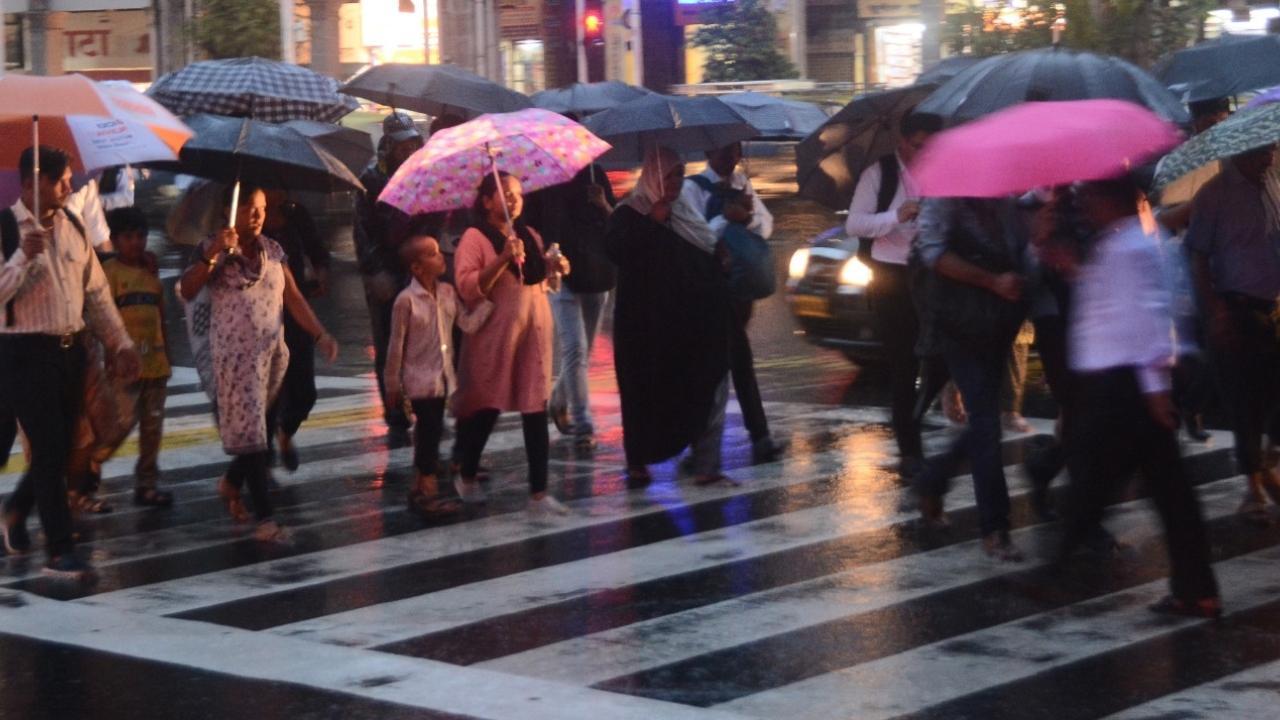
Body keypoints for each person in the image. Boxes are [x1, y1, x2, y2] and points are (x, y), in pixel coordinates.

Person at [1060, 176, 1220, 619]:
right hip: (1123, 382)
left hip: (1127, 385)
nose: (1085, 205)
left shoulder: (1132, 246)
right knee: (1168, 491)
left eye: (1090, 196)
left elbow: (1149, 319)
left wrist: (1154, 390)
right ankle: (1196, 588)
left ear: (1110, 200)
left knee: (1099, 481)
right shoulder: (1122, 242)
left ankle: (1053, 571)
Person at [0, 146, 141, 581]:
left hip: (71, 349)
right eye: (60, 180)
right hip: (23, 352)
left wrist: (120, 342)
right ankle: (58, 550)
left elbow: (95, 292)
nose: (68, 186)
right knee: (47, 447)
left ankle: (16, 511)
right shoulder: (6, 227)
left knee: (62, 449)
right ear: (30, 184)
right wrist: (22, 255)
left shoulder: (74, 225)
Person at [178, 186, 339, 543]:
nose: (257, 213)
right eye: (249, 206)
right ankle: (266, 518)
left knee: (261, 429)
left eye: (262, 208)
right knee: (251, 433)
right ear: (229, 210)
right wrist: (216, 253)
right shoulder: (212, 249)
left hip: (272, 355)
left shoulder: (274, 250)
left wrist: (320, 334)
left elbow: (293, 297)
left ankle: (232, 483)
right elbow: (188, 290)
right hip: (235, 360)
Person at [912, 196, 1031, 561]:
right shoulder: (944, 198)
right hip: (960, 322)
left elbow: (1020, 247)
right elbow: (933, 254)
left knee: (983, 423)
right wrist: (992, 280)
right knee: (985, 421)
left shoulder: (1008, 197)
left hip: (998, 321)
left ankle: (932, 480)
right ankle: (995, 527)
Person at [607, 147, 732, 487]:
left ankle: (705, 462)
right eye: (669, 175)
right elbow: (617, 252)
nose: (676, 182)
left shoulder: (684, 211)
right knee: (639, 392)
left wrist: (719, 253)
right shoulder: (629, 213)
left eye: (679, 174)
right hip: (642, 325)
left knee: (700, 382)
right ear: (652, 177)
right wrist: (652, 222)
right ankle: (637, 462)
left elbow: (703, 242)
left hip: (683, 321)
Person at [451, 172, 571, 514]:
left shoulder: (528, 234)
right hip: (496, 336)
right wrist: (502, 258)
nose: (514, 199)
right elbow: (468, 286)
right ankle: (468, 473)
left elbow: (540, 281)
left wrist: (556, 266)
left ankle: (538, 492)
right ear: (487, 201)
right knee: (487, 406)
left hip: (533, 333)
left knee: (535, 408)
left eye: (518, 193)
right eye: (505, 193)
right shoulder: (475, 238)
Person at [845, 113, 945, 478]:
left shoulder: (941, 171)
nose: (925, 153)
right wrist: (896, 215)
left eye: (931, 146)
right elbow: (855, 223)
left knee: (941, 355)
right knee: (903, 365)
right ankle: (909, 451)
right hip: (891, 276)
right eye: (919, 146)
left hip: (932, 272)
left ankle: (919, 414)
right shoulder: (880, 173)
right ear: (902, 141)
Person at [1185, 145, 1280, 522]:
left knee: (1272, 392)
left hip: (1269, 307)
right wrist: (1215, 311)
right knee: (1244, 401)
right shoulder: (1214, 195)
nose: (1271, 157)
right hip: (1234, 307)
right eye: (1266, 151)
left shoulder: (1271, 187)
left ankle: (1269, 457)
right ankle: (1253, 486)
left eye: (1274, 149)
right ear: (1245, 151)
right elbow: (1197, 257)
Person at [681, 141, 785, 465]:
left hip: (740, 291)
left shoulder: (743, 183)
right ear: (708, 152)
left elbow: (766, 226)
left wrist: (749, 217)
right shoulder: (692, 189)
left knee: (730, 362)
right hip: (710, 289)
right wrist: (727, 218)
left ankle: (708, 444)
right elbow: (693, 236)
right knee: (727, 362)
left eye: (736, 151)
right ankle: (748, 439)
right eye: (725, 150)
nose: (732, 157)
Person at [71, 208, 174, 510]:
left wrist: (166, 353)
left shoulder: (150, 275)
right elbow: (101, 320)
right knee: (116, 425)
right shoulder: (110, 274)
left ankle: (147, 484)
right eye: (128, 237)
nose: (137, 243)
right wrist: (109, 360)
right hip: (123, 368)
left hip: (155, 365)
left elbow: (160, 317)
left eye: (141, 236)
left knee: (152, 430)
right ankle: (87, 473)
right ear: (114, 240)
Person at [385, 231, 493, 519]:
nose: (439, 257)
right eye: (431, 254)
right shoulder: (405, 301)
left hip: (443, 377)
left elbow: (466, 324)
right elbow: (395, 345)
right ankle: (428, 490)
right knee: (430, 431)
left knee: (429, 431)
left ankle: (420, 486)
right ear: (416, 268)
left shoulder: (447, 292)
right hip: (419, 380)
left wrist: (487, 304)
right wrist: (392, 383)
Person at [522, 162, 616, 450]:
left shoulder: (595, 173)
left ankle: (560, 399)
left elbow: (616, 220)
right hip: (560, 276)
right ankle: (583, 424)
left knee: (583, 350)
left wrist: (602, 203)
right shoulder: (540, 179)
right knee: (575, 348)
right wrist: (543, 254)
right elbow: (528, 226)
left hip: (598, 273)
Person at [355, 112, 425, 443]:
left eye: (413, 144)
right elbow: (363, 233)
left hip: (415, 269)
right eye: (402, 146)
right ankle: (395, 410)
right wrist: (374, 271)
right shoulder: (370, 180)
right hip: (384, 271)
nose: (408, 151)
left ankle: (420, 399)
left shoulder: (421, 177)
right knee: (388, 340)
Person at [263, 190, 331, 471]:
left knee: (305, 392)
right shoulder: (238, 234)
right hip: (260, 323)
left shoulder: (296, 215)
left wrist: (321, 274)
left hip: (296, 312)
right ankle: (260, 464)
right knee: (267, 396)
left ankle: (285, 431)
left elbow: (316, 251)